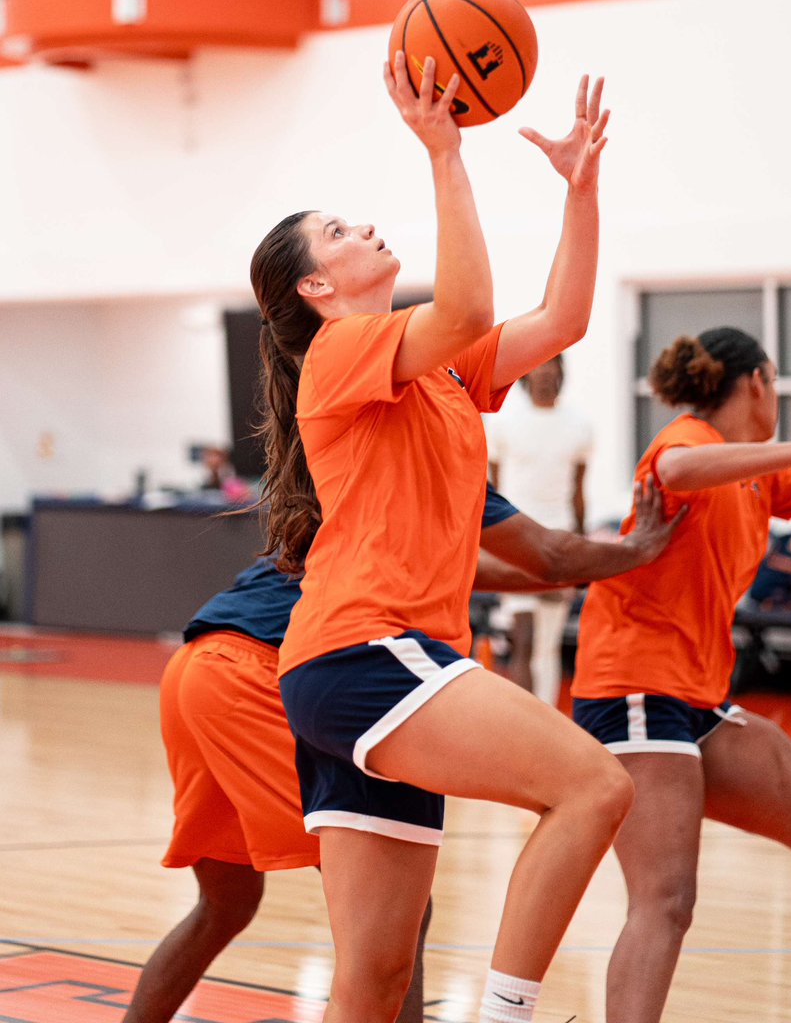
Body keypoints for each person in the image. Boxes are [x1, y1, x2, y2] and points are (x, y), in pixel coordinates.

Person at [251, 52, 633, 1023]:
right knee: (592, 784)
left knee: (375, 985)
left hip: (361, 666)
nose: (365, 229)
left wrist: (579, 192)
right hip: (365, 649)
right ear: (315, 290)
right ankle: (504, 1013)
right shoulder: (337, 353)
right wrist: (444, 152)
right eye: (338, 232)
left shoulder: (443, 367)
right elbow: (463, 303)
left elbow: (564, 318)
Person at [122, 479, 681, 1023]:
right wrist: (636, 550)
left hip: (199, 664)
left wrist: (567, 578)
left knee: (225, 905)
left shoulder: (366, 470)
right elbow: (551, 555)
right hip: (261, 676)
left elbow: (490, 569)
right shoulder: (433, 450)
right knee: (399, 913)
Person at [571, 326, 791, 1023]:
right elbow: (671, 473)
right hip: (634, 688)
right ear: (757, 383)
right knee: (666, 899)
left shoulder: (755, 474)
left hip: (694, 697)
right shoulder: (690, 440)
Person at [486, 353, 593, 702]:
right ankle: (522, 724)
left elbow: (579, 492)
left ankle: (544, 722)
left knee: (547, 644)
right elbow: (493, 489)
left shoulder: (579, 425)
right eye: (538, 366)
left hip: (558, 541)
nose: (545, 373)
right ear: (526, 374)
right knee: (524, 636)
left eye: (552, 366)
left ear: (562, 372)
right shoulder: (505, 423)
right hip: (515, 539)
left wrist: (582, 550)